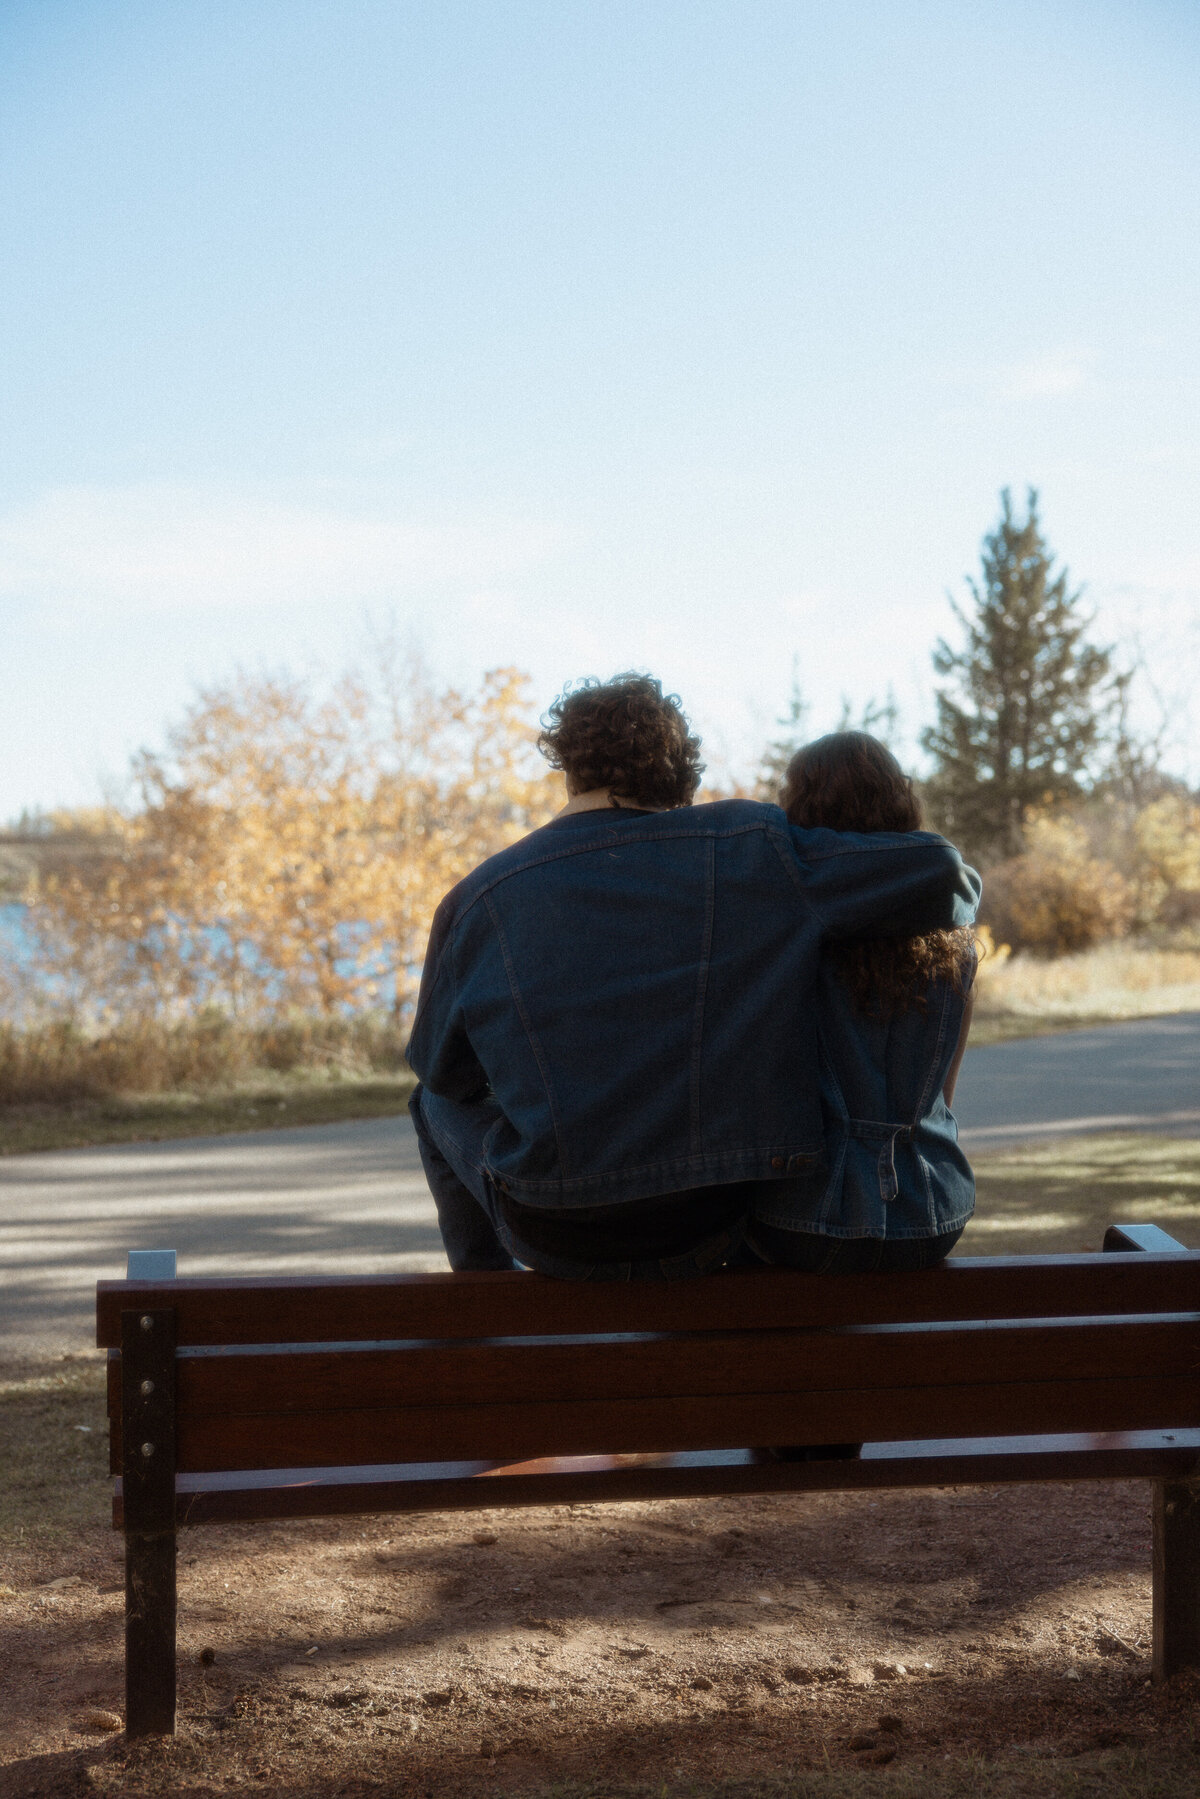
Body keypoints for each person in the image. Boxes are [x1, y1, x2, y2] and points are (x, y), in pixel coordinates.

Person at [406, 674, 981, 1281]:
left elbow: (448, 1073)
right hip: (708, 1217)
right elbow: (944, 872)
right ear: (683, 772)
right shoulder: (746, 850)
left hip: (553, 1226)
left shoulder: (477, 898)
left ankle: (482, 1295)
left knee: (431, 1098)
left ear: (569, 769)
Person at [741, 731, 977, 1277]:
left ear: (798, 808)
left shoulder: (786, 934)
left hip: (799, 1217)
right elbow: (943, 1093)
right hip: (934, 1215)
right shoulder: (953, 941)